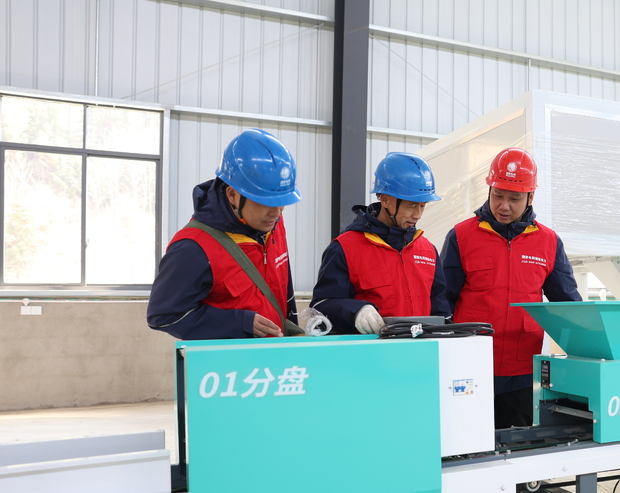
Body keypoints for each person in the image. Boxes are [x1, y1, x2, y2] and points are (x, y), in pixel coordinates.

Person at [442, 147, 581, 429]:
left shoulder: (548, 242)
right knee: (466, 440)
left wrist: (588, 345)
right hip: (470, 364)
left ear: (530, 197)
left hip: (522, 371)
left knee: (518, 445)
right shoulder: (461, 236)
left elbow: (568, 305)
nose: (504, 206)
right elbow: (442, 301)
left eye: (514, 199)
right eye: (498, 195)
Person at [147, 129, 301, 340]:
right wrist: (239, 323)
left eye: (282, 202)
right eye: (265, 202)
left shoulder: (273, 224)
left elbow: (284, 288)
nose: (276, 212)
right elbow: (163, 316)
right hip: (229, 360)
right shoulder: (193, 248)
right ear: (232, 195)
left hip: (276, 354)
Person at [311, 152, 451, 334]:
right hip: (371, 350)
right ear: (385, 200)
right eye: (411, 205)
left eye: (422, 206)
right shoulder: (345, 248)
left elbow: (440, 309)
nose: (417, 215)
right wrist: (356, 311)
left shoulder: (427, 250)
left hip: (421, 349)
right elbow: (321, 305)